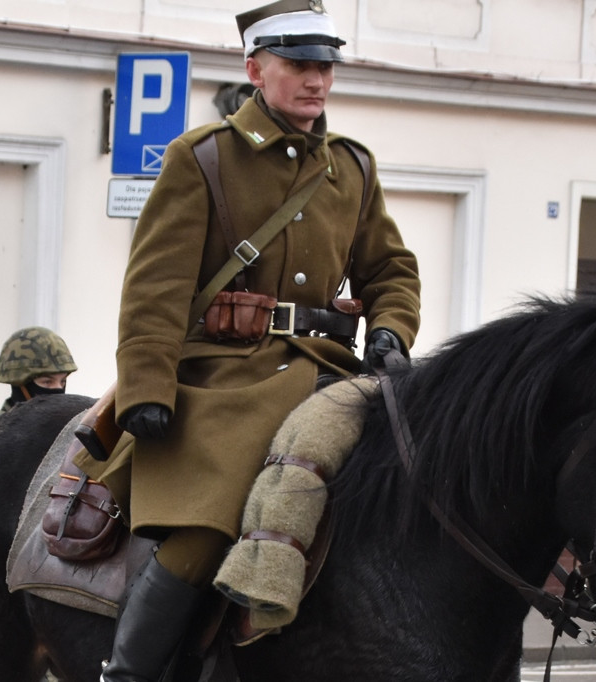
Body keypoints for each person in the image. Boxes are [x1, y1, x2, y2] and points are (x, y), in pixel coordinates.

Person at [73, 1, 421, 679]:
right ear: (254, 68)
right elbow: (154, 291)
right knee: (212, 518)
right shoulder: (202, 158)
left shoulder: (351, 168)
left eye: (325, 66)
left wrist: (389, 328)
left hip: (328, 369)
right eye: (298, 64)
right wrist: (146, 387)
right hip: (223, 377)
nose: (316, 80)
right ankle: (128, 671)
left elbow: (391, 270)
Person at [0, 326, 78, 426]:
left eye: (63, 381)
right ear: (20, 383)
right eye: (47, 382)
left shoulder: (68, 429)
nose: (58, 389)